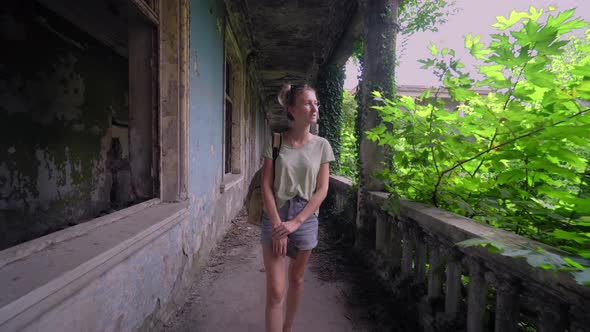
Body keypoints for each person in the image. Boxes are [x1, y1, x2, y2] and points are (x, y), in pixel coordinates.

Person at [260, 84, 335, 332]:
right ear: (292, 109)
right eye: (307, 103)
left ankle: (287, 328)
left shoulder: (322, 145)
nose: (314, 108)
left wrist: (296, 222)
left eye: (316, 103)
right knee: (276, 291)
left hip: (306, 218)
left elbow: (322, 190)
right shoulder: (276, 141)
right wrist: (277, 225)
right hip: (275, 215)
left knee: (297, 279)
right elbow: (266, 185)